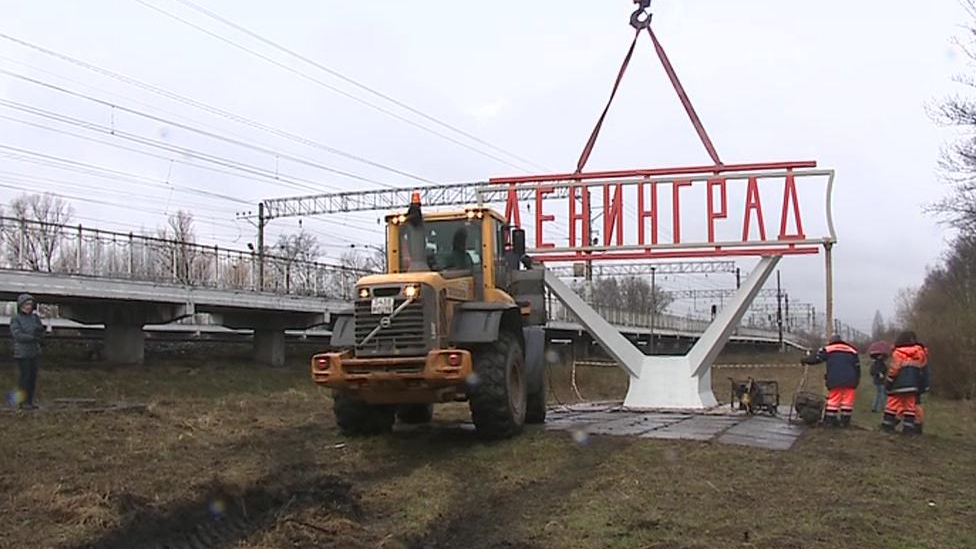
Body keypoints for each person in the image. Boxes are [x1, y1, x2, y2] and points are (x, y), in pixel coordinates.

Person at [801, 334, 860, 427]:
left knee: (833, 401)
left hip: (835, 379)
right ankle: (845, 422)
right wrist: (856, 380)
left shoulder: (829, 349)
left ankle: (830, 421)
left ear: (831, 341)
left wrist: (805, 360)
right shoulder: (852, 350)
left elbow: (816, 358)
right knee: (847, 402)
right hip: (850, 380)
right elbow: (857, 367)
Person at [882, 331, 929, 434]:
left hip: (898, 385)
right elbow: (924, 370)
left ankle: (887, 426)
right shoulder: (921, 353)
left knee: (891, 405)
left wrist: (889, 382)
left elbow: (894, 369)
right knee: (910, 407)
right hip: (913, 386)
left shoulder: (898, 353)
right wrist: (924, 385)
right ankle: (908, 429)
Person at [9, 294, 45, 410]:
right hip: (22, 352)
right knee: (24, 378)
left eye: (30, 304)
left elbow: (40, 331)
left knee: (32, 378)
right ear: (20, 305)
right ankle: (21, 402)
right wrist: (32, 337)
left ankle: (30, 401)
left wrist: (41, 333)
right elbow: (17, 335)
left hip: (34, 351)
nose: (28, 307)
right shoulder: (16, 318)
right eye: (26, 304)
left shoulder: (35, 318)